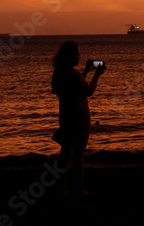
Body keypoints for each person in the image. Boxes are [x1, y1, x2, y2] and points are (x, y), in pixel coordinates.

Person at [51, 41, 106, 195]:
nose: (79, 56)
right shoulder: (73, 74)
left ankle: (62, 187)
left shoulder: (59, 72)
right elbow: (88, 91)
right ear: (71, 56)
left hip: (65, 115)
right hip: (79, 117)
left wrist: (86, 71)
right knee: (79, 154)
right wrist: (96, 74)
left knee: (65, 152)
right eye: (77, 54)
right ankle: (78, 188)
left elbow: (62, 87)